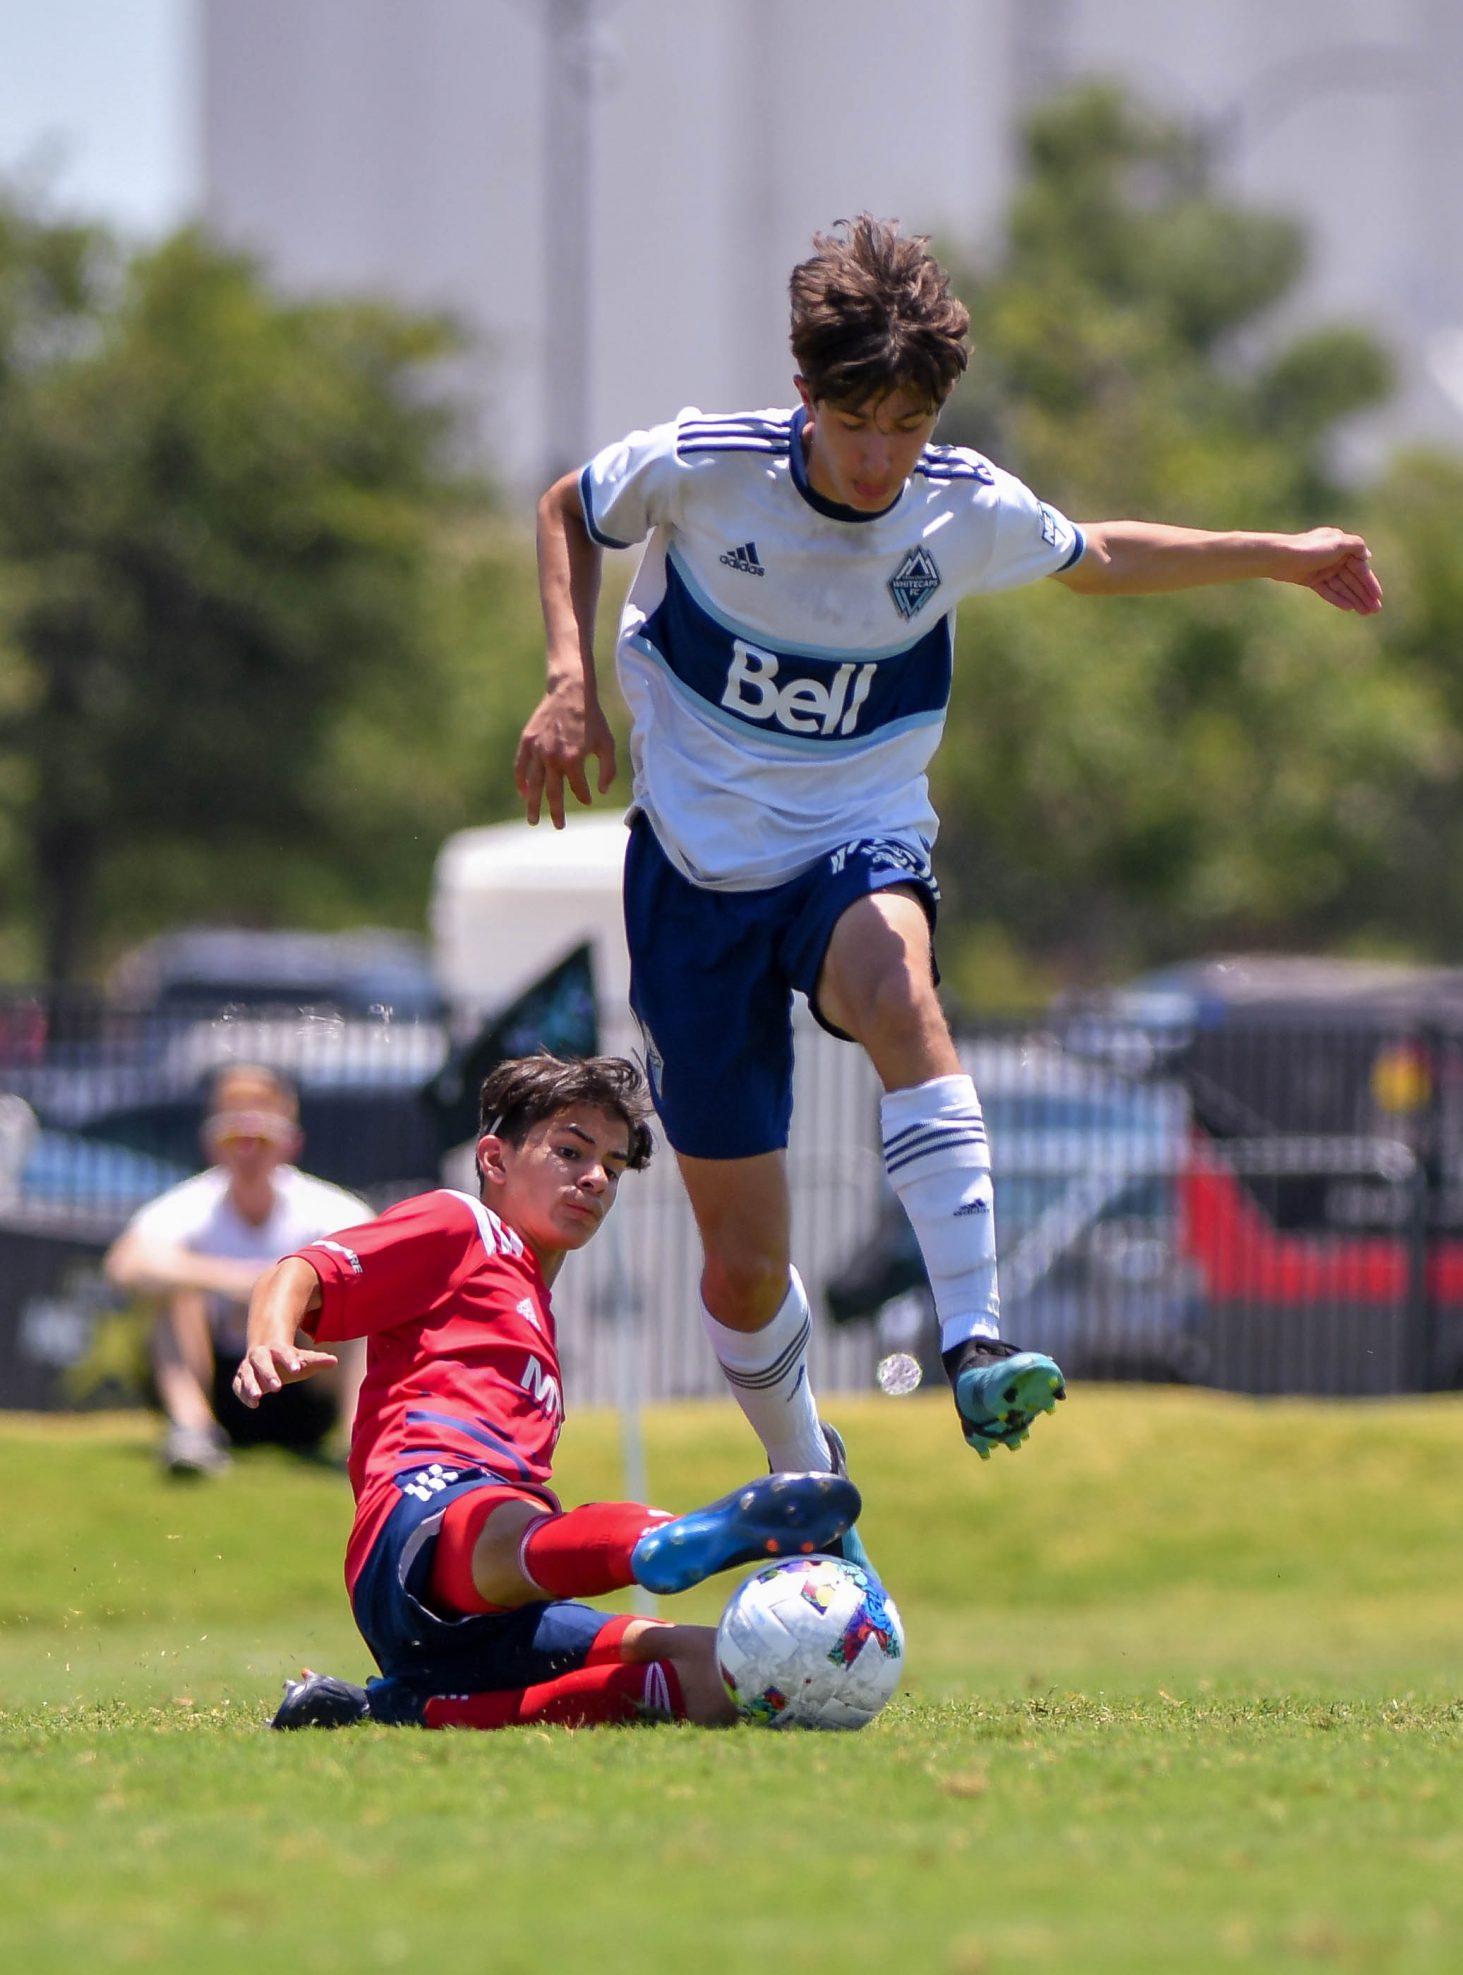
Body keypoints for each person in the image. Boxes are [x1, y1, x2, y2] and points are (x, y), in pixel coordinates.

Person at [513, 211, 1384, 1500]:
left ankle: (975, 1336)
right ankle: (806, 1474)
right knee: (744, 1267)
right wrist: (566, 675)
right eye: (854, 423)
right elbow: (567, 508)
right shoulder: (705, 467)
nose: (879, 456)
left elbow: (1097, 555)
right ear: (803, 392)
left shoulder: (959, 505)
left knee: (900, 986)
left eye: (907, 427)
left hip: (852, 838)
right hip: (695, 876)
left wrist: (1282, 555)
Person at [235, 1053, 858, 1732]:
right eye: (570, 1151)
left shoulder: (534, 1309)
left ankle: (401, 1710)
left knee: (729, 1671)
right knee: (497, 1514)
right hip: (423, 1524)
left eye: (613, 1167)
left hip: (497, 1605)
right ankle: (661, 1540)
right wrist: (269, 1339)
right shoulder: (461, 1225)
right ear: (495, 1159)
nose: (595, 1178)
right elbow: (301, 1269)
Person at [104, 1063, 372, 1476]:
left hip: (304, 1385)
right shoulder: (191, 1205)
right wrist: (239, 1281)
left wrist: (287, 1298)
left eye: (261, 1138)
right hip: (218, 1387)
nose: (249, 1150)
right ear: (213, 1143)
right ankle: (191, 1431)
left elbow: (375, 1272)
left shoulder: (327, 1208)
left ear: (290, 1143)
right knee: (171, 1294)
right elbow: (126, 1264)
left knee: (355, 1307)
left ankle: (360, 1440)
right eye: (237, 1137)